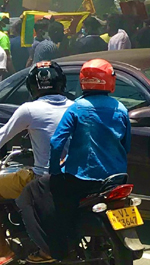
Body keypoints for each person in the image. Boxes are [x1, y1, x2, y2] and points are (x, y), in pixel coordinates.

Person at [17, 59, 131, 262]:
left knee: (33, 191)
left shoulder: (78, 108)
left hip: (81, 178)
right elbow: (126, 144)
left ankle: (51, 249)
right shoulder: (121, 109)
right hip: (116, 178)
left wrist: (54, 171)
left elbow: (57, 143)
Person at [0, 62, 72, 264]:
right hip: (73, 175)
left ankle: (3, 250)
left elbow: (3, 135)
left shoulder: (29, 110)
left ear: (32, 86)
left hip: (41, 177)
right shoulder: (76, 106)